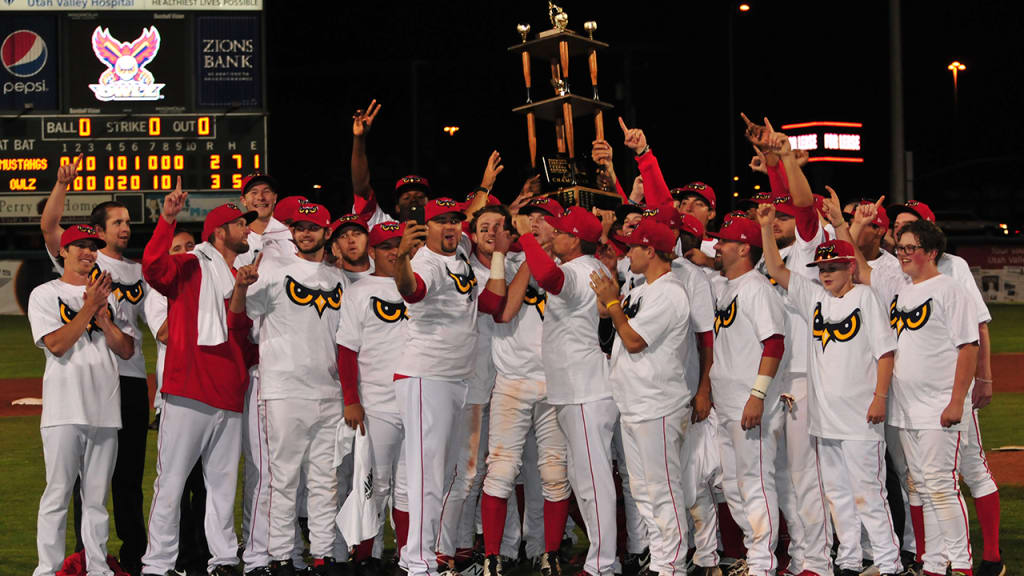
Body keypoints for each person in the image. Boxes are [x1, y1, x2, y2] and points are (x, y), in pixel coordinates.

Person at [758, 202, 903, 576]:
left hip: (860, 417)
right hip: (825, 420)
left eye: (833, 267)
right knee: (838, 495)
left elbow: (886, 353)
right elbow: (775, 269)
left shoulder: (866, 299)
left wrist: (880, 397)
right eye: (821, 268)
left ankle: (889, 564)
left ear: (850, 266)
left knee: (869, 494)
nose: (825, 274)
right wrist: (764, 228)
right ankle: (849, 560)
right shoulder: (814, 299)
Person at [40, 154, 150, 575]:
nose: (125, 227)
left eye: (127, 222)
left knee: (127, 477)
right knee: (84, 480)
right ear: (98, 233)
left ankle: (135, 555)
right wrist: (62, 185)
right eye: (117, 222)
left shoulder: (140, 271)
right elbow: (52, 229)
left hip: (131, 376)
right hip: (93, 378)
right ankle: (88, 558)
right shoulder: (88, 261)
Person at [140, 181, 258, 576]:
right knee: (170, 484)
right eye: (241, 223)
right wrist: (168, 219)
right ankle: (157, 564)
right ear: (219, 232)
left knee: (223, 487)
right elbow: (154, 269)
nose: (247, 228)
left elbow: (238, 332)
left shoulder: (240, 274)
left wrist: (241, 290)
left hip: (228, 392)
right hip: (188, 390)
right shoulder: (191, 264)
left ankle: (223, 559)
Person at [392, 197, 508, 576]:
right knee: (427, 476)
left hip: (454, 378)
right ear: (427, 227)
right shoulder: (425, 260)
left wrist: (485, 192)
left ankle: (420, 557)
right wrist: (401, 260)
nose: (450, 227)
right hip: (428, 376)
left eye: (455, 220)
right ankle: (420, 563)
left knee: (439, 475)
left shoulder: (457, 253)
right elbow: (413, 291)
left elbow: (489, 302)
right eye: (441, 221)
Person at [886, 201, 1002, 576]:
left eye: (909, 248)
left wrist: (958, 401)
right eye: (899, 247)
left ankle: (963, 565)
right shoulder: (903, 289)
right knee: (920, 485)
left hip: (939, 406)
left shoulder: (950, 287)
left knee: (941, 486)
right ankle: (935, 565)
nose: (901, 254)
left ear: (930, 251)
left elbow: (968, 345)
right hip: (907, 408)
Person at [232, 203, 349, 576]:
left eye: (313, 227)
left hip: (328, 393)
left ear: (326, 231)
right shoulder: (272, 271)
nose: (305, 233)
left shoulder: (339, 279)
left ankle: (322, 555)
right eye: (299, 227)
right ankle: (280, 556)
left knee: (323, 482)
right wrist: (240, 285)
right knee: (282, 479)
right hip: (283, 390)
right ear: (293, 232)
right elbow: (240, 314)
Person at [29, 224, 135, 576]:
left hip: (105, 409)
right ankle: (48, 569)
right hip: (63, 409)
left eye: (93, 247)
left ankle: (97, 568)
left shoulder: (111, 297)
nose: (88, 252)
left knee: (96, 501)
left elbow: (126, 349)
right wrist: (89, 308)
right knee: (57, 495)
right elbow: (57, 345)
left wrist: (104, 318)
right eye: (80, 246)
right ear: (63, 251)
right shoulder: (45, 293)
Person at [519, 206, 618, 576]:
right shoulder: (592, 267)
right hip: (578, 390)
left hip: (586, 391)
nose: (554, 234)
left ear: (575, 239)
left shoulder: (582, 269)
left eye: (560, 231)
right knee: (585, 480)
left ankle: (603, 564)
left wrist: (526, 236)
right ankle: (602, 560)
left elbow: (546, 276)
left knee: (593, 482)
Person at [591, 220, 693, 576]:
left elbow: (634, 341)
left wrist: (613, 303)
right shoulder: (639, 289)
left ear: (651, 251)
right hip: (635, 404)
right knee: (644, 492)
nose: (626, 253)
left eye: (633, 247)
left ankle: (673, 566)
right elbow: (609, 325)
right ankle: (662, 560)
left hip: (658, 405)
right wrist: (607, 298)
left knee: (663, 490)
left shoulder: (670, 291)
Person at [708, 212, 790, 576]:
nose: (718, 245)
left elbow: (774, 343)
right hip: (726, 402)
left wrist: (757, 395)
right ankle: (753, 553)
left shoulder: (757, 288)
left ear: (743, 247)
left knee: (755, 480)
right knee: (732, 483)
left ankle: (762, 562)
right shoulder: (727, 286)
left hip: (749, 402)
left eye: (724, 240)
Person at [336, 221, 412, 574]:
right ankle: (365, 554)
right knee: (373, 483)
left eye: (400, 244)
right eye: (386, 246)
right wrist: (351, 398)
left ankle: (409, 556)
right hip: (377, 402)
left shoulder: (418, 284)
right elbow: (347, 349)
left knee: (409, 486)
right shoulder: (359, 291)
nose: (394, 252)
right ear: (373, 252)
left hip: (416, 399)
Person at [144, 229, 211, 576]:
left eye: (190, 247)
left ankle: (201, 553)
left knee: (206, 484)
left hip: (207, 394)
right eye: (177, 249)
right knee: (176, 482)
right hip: (175, 396)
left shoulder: (206, 282)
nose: (185, 253)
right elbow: (167, 333)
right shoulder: (158, 291)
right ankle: (178, 557)